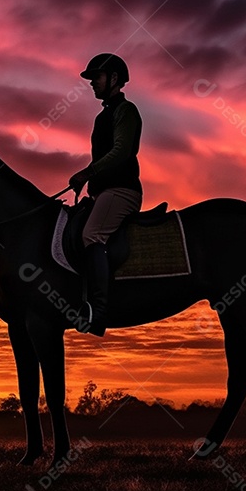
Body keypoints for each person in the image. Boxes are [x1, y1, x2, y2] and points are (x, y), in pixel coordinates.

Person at [68, 53, 143, 336]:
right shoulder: (103, 115)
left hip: (122, 191)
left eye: (96, 77)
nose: (91, 83)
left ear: (113, 79)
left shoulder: (126, 110)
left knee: (92, 235)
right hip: (104, 192)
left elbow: (122, 151)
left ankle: (98, 311)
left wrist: (88, 173)